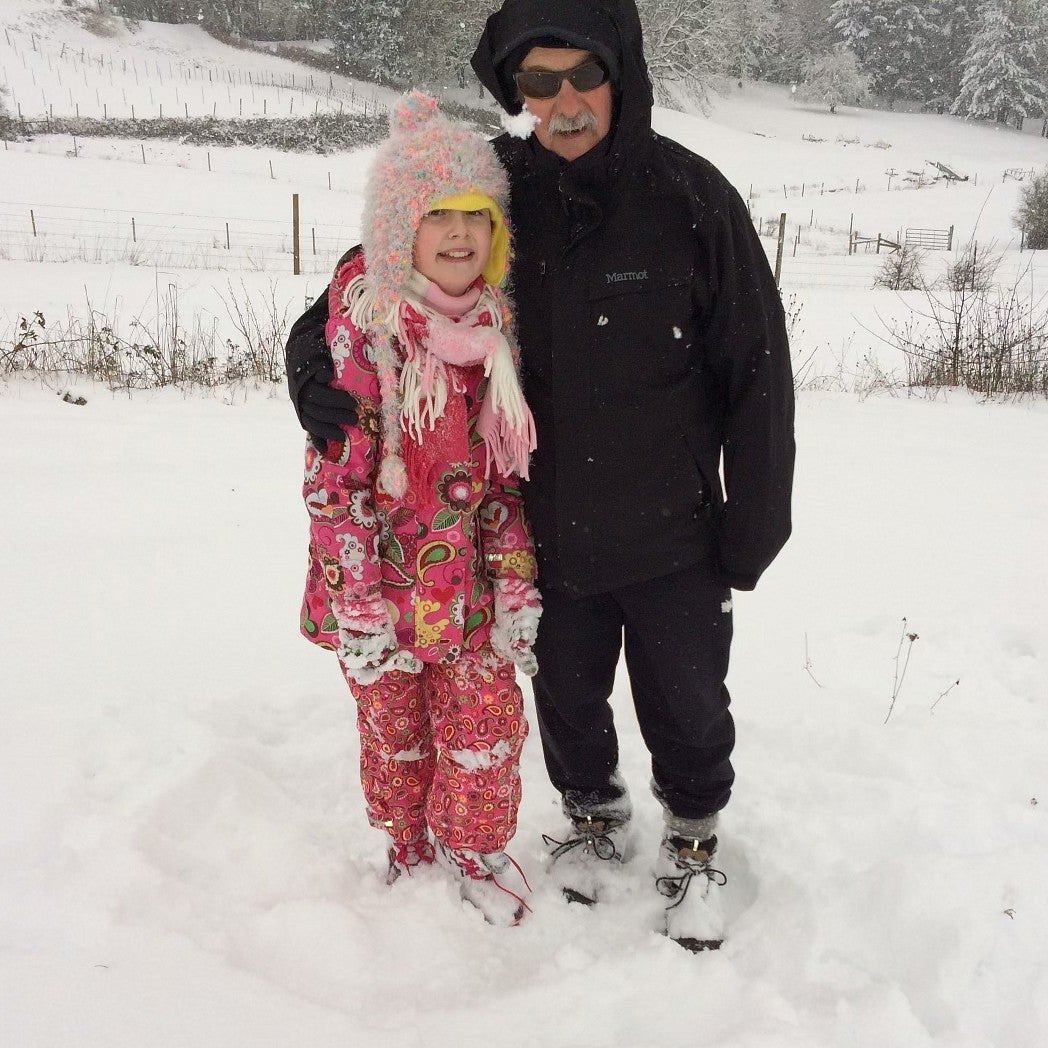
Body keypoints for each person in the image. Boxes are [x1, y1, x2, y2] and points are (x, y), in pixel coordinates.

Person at [286, 0, 795, 952]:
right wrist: (307, 360)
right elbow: (374, 275)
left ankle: (692, 839)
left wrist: (755, 518)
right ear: (513, 91)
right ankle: (592, 821)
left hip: (674, 525)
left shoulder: (693, 198)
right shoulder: (497, 186)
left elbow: (756, 367)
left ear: (622, 75)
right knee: (565, 690)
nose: (562, 103)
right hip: (539, 524)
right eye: (537, 82)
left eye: (582, 77)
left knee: (687, 696)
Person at [298, 90, 541, 927]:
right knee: (395, 737)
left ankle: (473, 851)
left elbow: (505, 484)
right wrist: (358, 604)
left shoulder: (494, 336)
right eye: (439, 213)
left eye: (477, 215)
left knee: (485, 730)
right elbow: (336, 487)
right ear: (402, 226)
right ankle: (407, 845)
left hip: (468, 595)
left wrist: (516, 584)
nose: (460, 233)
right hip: (382, 596)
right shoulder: (368, 336)